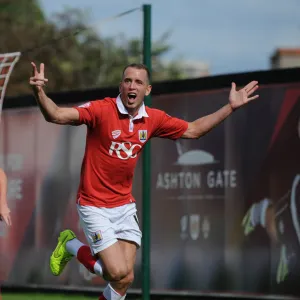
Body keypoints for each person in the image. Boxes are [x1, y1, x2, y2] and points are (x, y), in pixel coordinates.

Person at [29, 61, 259, 300]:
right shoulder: (101, 110)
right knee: (115, 272)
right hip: (94, 204)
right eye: (128, 80)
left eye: (138, 82)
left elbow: (193, 130)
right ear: (121, 86)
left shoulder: (153, 119)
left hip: (124, 206)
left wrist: (230, 108)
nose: (132, 85)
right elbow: (55, 114)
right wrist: (39, 92)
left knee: (125, 280)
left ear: (147, 90)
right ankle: (70, 245)